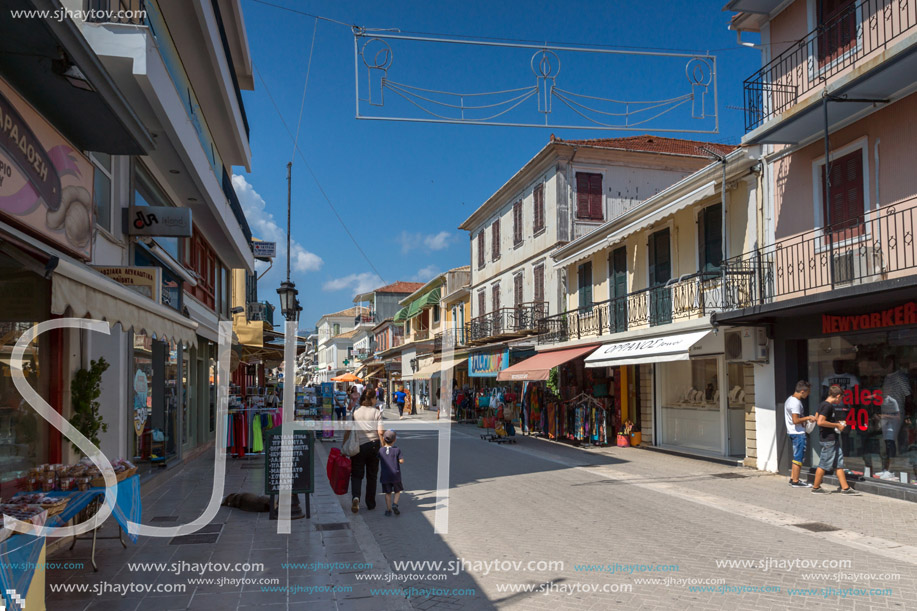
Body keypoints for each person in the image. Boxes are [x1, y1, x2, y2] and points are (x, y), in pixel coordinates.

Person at [342, 392, 384, 513]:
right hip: (373, 445)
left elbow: (348, 430)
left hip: (358, 446)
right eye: (375, 398)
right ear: (371, 399)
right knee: (372, 475)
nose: (376, 400)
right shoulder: (376, 412)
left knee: (356, 474)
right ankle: (370, 503)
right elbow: (380, 432)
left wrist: (344, 446)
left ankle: (356, 497)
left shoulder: (355, 410)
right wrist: (384, 446)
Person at [812, 384, 857, 494]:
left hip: (830, 439)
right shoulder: (828, 406)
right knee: (824, 463)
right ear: (837, 396)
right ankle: (816, 487)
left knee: (838, 463)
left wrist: (835, 423)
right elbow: (820, 422)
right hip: (829, 439)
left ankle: (845, 488)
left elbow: (817, 417)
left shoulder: (822, 404)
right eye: (841, 398)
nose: (841, 400)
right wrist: (837, 425)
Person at [785, 381, 816, 488]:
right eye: (808, 392)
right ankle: (796, 481)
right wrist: (808, 418)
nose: (808, 394)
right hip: (798, 433)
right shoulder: (796, 403)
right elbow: (795, 420)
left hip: (793, 432)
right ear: (802, 391)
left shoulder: (790, 399)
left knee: (796, 456)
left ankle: (793, 478)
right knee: (799, 457)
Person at [379, 430, 404, 517]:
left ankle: (389, 510)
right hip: (395, 475)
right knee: (397, 491)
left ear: (383, 439)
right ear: (395, 440)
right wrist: (399, 460)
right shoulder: (397, 450)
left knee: (387, 493)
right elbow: (401, 461)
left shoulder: (381, 450)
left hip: (385, 475)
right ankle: (395, 504)